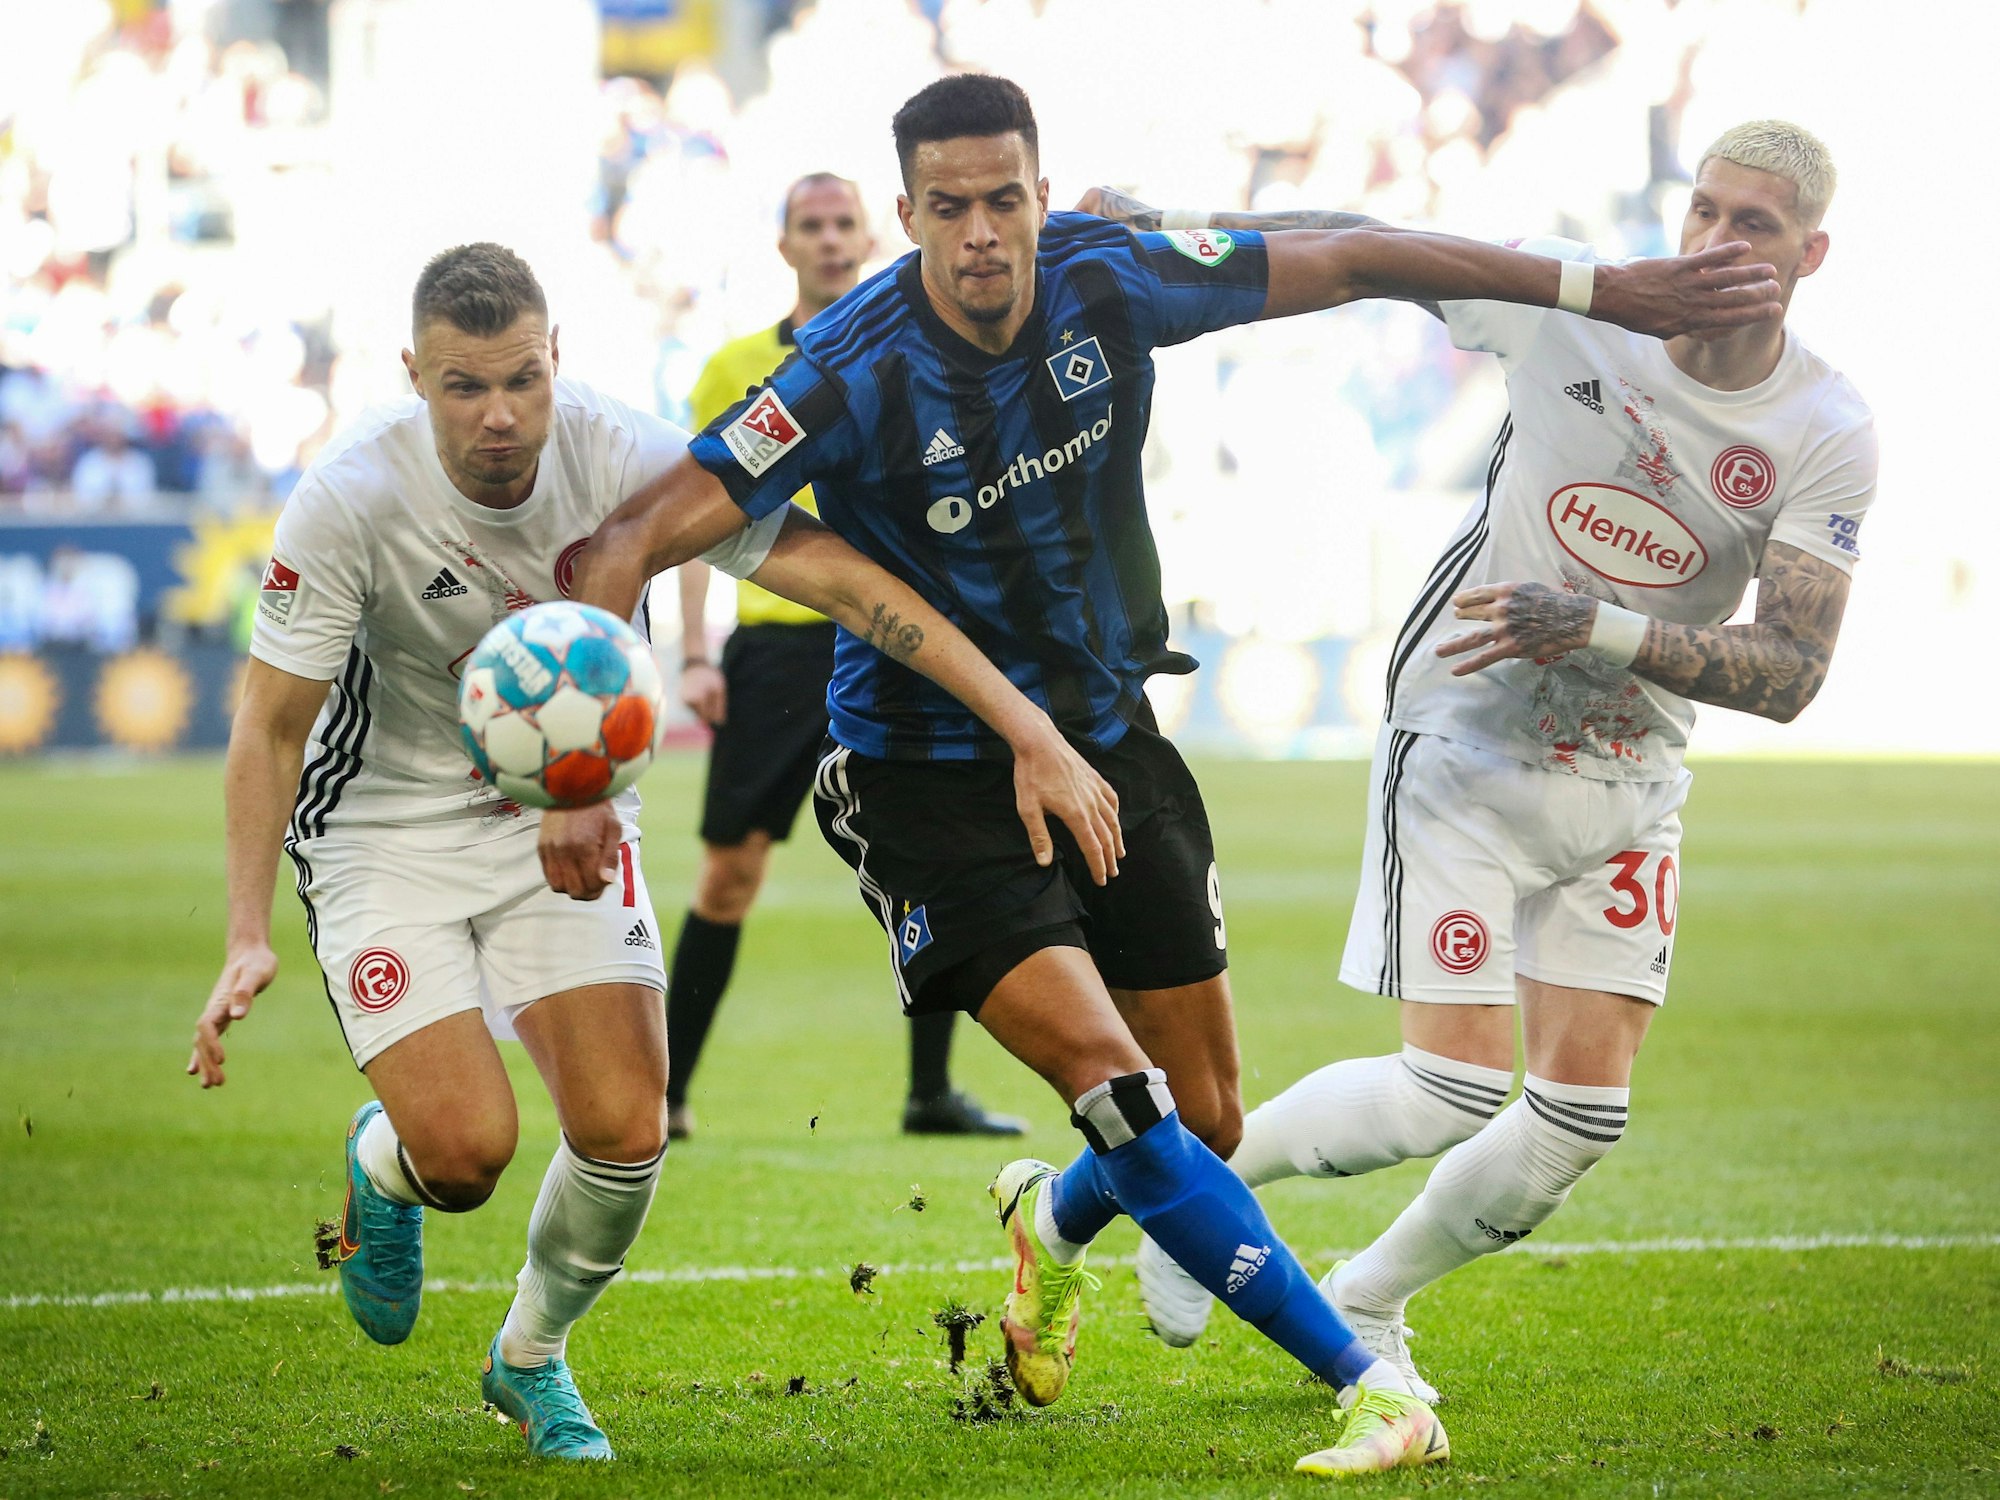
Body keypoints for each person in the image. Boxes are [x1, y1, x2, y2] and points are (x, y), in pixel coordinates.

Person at [556, 75, 1783, 1476]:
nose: (980, 235)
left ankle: (1054, 1218)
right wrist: (587, 778)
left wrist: (1603, 286)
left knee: (1204, 1124)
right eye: (947, 208)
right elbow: (620, 547)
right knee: (1123, 1090)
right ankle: (1362, 1378)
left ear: (1038, 191)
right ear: (907, 217)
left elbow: (1363, 255)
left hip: (1108, 739)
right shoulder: (847, 367)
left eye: (1004, 199)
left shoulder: (1110, 280)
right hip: (926, 772)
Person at [184, 242, 1119, 1463]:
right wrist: (247, 934)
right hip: (385, 832)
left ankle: (528, 1359)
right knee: (465, 1157)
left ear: (557, 357)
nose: (500, 414)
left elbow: (825, 570)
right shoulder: (352, 493)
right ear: (412, 374)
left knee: (625, 1134)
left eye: (523, 378)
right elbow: (268, 724)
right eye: (463, 386)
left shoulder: (620, 453)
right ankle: (386, 1165)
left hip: (570, 818)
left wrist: (1021, 720)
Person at [1096, 121, 1877, 1400]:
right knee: (1447, 1087)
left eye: (1755, 227)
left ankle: (1369, 1301)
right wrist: (1174, 220)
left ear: (1810, 256)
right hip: (1465, 727)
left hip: (1629, 777)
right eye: (1703, 211)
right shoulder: (1578, 304)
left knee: (1580, 1119)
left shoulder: (1825, 425)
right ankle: (1199, 1202)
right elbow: (1364, 250)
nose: (1714, 243)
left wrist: (1601, 631)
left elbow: (1790, 672)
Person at [667, 171, 1024, 1141]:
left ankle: (929, 1093)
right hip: (778, 652)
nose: (827, 241)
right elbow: (703, 517)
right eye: (809, 227)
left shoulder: (921, 351)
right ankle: (664, 1094)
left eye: (842, 226)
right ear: (783, 245)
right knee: (728, 873)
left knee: (941, 855)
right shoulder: (735, 365)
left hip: (897, 637)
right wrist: (696, 654)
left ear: (870, 239)